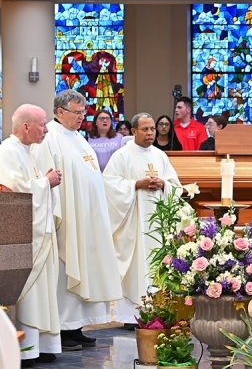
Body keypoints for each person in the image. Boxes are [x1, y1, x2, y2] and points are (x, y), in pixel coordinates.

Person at [31, 90, 122, 351]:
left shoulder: (79, 138)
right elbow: (50, 176)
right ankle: (62, 330)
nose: (82, 117)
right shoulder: (50, 138)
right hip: (68, 218)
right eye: (76, 112)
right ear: (60, 112)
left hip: (87, 217)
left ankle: (77, 326)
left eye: (84, 113)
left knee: (86, 270)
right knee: (66, 273)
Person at [103, 113, 182, 327]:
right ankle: (131, 316)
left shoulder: (160, 156)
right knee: (136, 266)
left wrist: (163, 185)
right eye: (145, 129)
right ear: (134, 131)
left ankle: (158, 312)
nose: (150, 133)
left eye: (152, 129)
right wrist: (136, 185)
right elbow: (109, 184)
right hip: (133, 224)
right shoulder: (121, 156)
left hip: (157, 225)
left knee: (156, 265)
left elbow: (176, 185)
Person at [0, 104, 63, 367]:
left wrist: (46, 183)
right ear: (26, 126)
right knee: (27, 292)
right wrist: (45, 182)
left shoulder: (29, 152)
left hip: (41, 232)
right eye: (41, 124)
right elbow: (12, 190)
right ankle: (24, 350)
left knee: (44, 291)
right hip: (24, 237)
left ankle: (42, 345)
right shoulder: (7, 151)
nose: (46, 129)